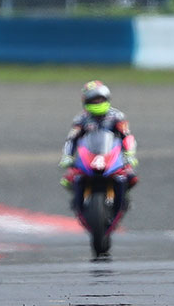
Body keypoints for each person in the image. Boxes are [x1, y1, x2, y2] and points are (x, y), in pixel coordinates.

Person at [58, 80, 139, 214]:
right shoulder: (81, 119)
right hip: (89, 155)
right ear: (86, 101)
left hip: (113, 156)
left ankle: (124, 198)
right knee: (68, 180)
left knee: (131, 177)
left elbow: (127, 136)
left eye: (100, 99)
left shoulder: (117, 117)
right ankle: (78, 199)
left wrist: (129, 154)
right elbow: (72, 139)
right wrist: (67, 156)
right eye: (93, 100)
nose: (97, 103)